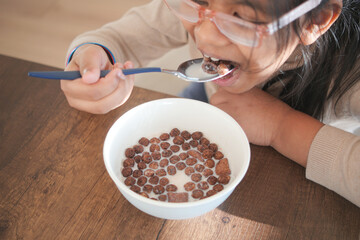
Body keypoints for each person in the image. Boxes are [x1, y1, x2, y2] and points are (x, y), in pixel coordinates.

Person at [60, 0, 359, 207]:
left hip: (311, 167)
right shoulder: (206, 10)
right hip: (204, 102)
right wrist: (94, 57)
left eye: (240, 18)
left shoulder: (352, 70)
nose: (204, 37)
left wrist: (281, 126)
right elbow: (116, 39)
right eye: (196, 2)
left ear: (315, 21)